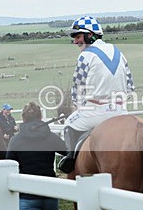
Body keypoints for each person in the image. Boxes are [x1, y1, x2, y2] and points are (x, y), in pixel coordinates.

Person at [57, 15, 135, 174]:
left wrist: (79, 106)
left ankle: (70, 160)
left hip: (96, 112)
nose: (75, 41)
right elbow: (130, 86)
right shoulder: (119, 52)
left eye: (78, 36)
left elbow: (77, 89)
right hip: (121, 111)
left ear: (90, 35)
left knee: (69, 124)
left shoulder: (85, 56)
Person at [5, 102, 66, 210]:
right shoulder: (51, 137)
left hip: (27, 197)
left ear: (23, 118)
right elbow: (68, 153)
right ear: (40, 117)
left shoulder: (16, 140)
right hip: (50, 195)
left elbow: (9, 163)